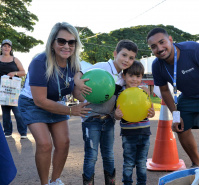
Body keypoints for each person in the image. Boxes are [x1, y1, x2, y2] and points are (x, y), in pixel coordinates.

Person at [18, 22, 91, 185]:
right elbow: (40, 100)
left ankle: (55, 180)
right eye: (61, 41)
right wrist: (72, 111)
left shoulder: (74, 64)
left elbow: (74, 90)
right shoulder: (39, 61)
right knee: (44, 144)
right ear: (52, 42)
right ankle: (45, 183)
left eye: (71, 42)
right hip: (33, 103)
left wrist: (89, 101)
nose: (67, 46)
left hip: (56, 101)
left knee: (64, 143)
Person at [147, 27, 199, 167]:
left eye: (162, 42)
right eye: (154, 46)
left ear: (170, 40)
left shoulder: (194, 49)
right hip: (188, 97)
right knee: (180, 127)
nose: (159, 48)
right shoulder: (157, 65)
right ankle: (196, 164)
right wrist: (175, 115)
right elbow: (164, 91)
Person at [74, 39, 138, 185]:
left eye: (131, 58)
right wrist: (78, 82)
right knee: (91, 155)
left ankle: (111, 182)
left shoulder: (123, 78)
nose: (127, 60)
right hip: (91, 119)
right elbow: (80, 73)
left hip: (109, 120)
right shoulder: (102, 67)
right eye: (124, 55)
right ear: (115, 53)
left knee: (109, 155)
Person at [114, 61, 155, 185]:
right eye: (131, 76)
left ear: (141, 77)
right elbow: (116, 116)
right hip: (128, 134)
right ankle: (127, 183)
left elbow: (151, 111)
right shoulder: (120, 93)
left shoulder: (144, 92)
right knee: (128, 163)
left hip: (144, 132)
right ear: (124, 76)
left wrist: (151, 113)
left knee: (142, 163)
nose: (134, 79)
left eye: (138, 76)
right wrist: (117, 114)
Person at [0, 39, 27, 139]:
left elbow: (23, 72)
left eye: (8, 46)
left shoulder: (15, 59)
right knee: (5, 113)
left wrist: (14, 73)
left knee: (18, 112)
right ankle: (7, 132)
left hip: (14, 90)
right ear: (1, 47)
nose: (6, 48)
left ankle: (23, 132)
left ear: (11, 48)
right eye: (4, 46)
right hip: (2, 90)